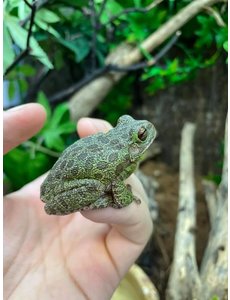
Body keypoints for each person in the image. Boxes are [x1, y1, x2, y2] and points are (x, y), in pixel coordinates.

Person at [4, 103, 153, 300]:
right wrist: (124, 198)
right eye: (142, 135)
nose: (146, 131)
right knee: (100, 187)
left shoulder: (119, 151)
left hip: (60, 181)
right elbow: (118, 185)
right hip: (73, 183)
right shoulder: (124, 158)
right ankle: (94, 201)